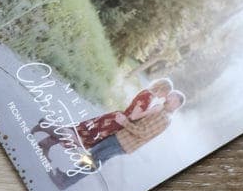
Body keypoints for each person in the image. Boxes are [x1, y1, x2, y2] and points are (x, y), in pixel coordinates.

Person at [61, 89, 186, 185]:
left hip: (124, 143)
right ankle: (66, 177)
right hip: (120, 136)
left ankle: (65, 181)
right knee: (93, 155)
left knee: (95, 160)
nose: (167, 98)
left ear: (176, 104)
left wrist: (124, 122)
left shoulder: (164, 118)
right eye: (169, 96)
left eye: (171, 98)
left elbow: (144, 132)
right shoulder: (160, 110)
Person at [35, 78, 172, 154]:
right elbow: (135, 116)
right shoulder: (149, 97)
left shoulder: (147, 93)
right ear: (163, 89)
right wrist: (151, 111)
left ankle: (45, 144)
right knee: (82, 140)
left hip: (115, 119)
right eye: (166, 94)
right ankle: (47, 126)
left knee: (80, 132)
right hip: (116, 123)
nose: (164, 98)